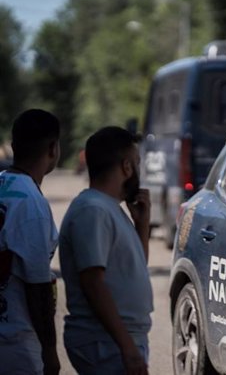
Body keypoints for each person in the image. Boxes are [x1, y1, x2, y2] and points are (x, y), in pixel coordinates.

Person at [59, 126, 152, 375]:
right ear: (127, 167)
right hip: (104, 341)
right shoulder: (93, 210)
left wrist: (142, 226)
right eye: (137, 162)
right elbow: (93, 283)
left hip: (116, 340)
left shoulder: (109, 208)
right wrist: (127, 348)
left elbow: (134, 269)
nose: (138, 170)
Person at [0, 109, 61, 375]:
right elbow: (38, 289)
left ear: (13, 146)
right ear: (53, 148)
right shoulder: (31, 205)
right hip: (15, 346)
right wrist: (50, 352)